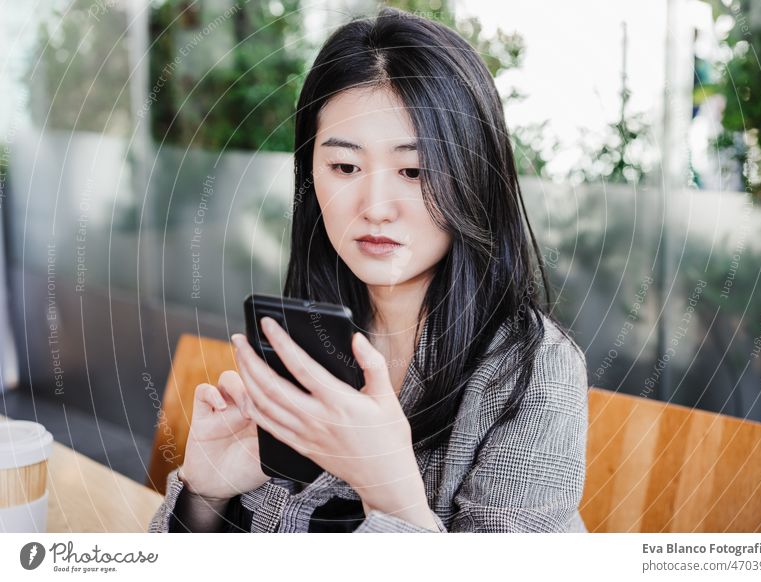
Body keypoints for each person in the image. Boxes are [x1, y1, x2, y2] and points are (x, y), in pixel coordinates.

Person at [149, 7, 589, 534]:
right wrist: (205, 493)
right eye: (345, 167)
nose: (376, 206)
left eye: (414, 170)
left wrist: (395, 499)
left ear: (475, 175)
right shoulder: (304, 334)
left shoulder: (535, 372)